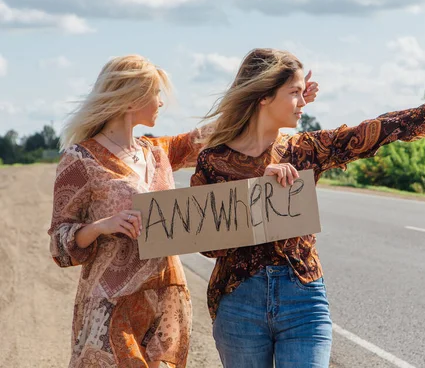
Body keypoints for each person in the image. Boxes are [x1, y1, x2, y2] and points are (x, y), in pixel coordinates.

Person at [190, 48, 425, 368]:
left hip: (303, 299)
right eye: (295, 93)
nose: (304, 103)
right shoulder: (214, 160)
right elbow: (208, 247)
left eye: (304, 93)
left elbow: (385, 128)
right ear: (264, 96)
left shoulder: (307, 149)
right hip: (239, 303)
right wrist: (258, 185)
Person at [47, 54, 320, 368]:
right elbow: (58, 242)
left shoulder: (156, 151)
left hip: (165, 302)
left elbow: (218, 133)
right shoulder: (79, 159)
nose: (161, 103)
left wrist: (282, 102)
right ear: (131, 99)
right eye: (156, 94)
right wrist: (99, 226)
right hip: (110, 304)